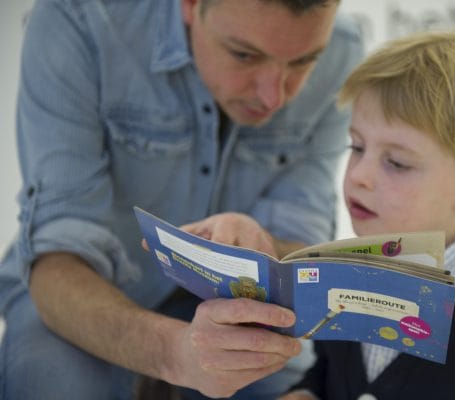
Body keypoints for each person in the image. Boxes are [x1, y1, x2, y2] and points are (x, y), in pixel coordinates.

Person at [0, 0, 363, 399]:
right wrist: (172, 354)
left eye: (303, 62)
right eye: (244, 54)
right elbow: (58, 257)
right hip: (84, 295)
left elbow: (299, 250)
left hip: (243, 307)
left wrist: (265, 245)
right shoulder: (80, 18)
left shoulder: (342, 49)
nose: (274, 97)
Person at [188, 31, 455, 399]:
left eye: (396, 162)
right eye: (357, 147)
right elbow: (330, 376)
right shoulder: (336, 284)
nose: (359, 176)